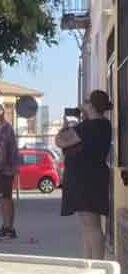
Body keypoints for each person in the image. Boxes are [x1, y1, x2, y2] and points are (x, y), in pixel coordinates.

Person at [59, 90, 112, 260]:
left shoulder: (89, 127)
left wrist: (65, 127)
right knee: (89, 225)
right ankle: (90, 262)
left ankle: (96, 264)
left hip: (85, 180)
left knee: (91, 225)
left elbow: (60, 141)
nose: (83, 103)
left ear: (91, 105)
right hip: (92, 178)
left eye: (86, 101)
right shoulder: (102, 125)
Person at [0, 103, 20, 239]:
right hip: (0, 169)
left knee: (6, 198)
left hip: (4, 170)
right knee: (2, 199)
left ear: (0, 113)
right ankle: (5, 226)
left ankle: (9, 228)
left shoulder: (5, 129)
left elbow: (4, 151)